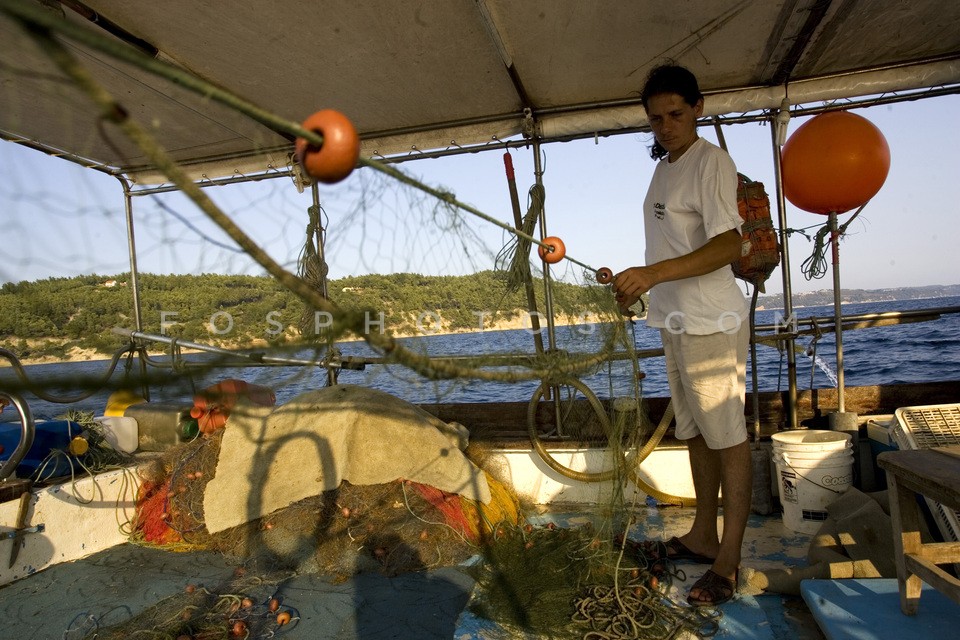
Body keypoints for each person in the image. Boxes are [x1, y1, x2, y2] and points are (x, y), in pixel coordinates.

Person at [612, 63, 751, 607]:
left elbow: (730, 246)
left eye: (675, 114)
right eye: (655, 119)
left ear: (698, 107)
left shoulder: (711, 162)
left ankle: (729, 560)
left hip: (710, 323)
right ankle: (701, 535)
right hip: (674, 320)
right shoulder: (665, 168)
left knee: (729, 438)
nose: (665, 126)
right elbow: (669, 249)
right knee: (693, 432)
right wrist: (635, 281)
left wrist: (653, 275)